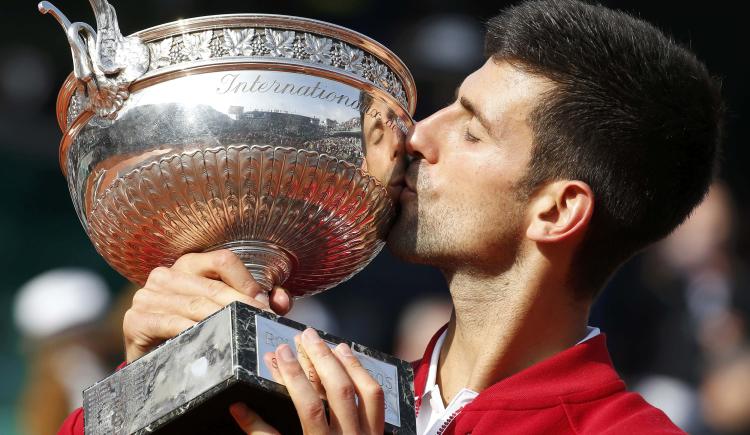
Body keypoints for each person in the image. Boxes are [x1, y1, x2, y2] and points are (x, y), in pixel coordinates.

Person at [59, 0, 723, 433]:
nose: (416, 136)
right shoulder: (317, 391)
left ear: (557, 209)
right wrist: (148, 391)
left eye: (471, 130)